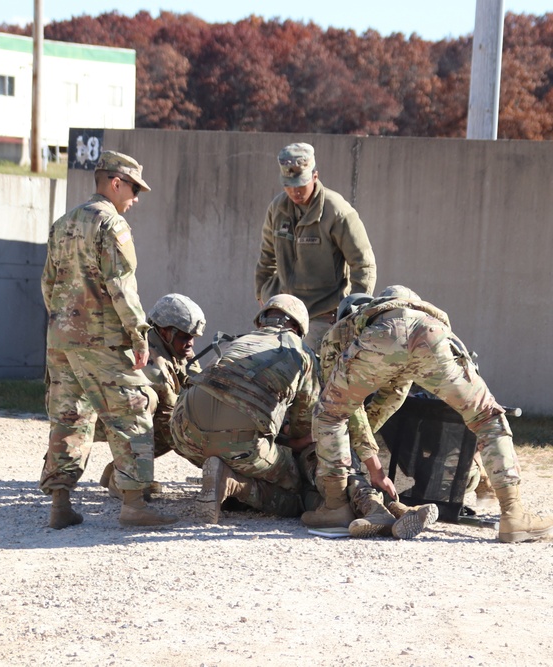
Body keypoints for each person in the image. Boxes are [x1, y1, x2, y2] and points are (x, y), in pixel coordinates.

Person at [311, 293, 553, 544]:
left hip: (381, 338)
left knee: (330, 416)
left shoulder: (340, 331)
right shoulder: (411, 307)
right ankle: (513, 514)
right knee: (487, 417)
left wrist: (365, 453)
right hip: (432, 334)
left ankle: (336, 508)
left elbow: (342, 409)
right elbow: (394, 394)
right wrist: (366, 447)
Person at [39, 149, 178, 530]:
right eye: (134, 189)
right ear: (115, 183)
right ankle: (134, 505)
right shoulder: (111, 225)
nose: (135, 198)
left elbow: (48, 285)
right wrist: (138, 334)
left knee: (69, 417)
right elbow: (122, 287)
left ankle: (60, 504)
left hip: (61, 339)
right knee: (132, 410)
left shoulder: (63, 223)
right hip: (101, 339)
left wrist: (62, 326)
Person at [300, 290, 439, 540]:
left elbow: (366, 407)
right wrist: (365, 453)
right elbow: (353, 411)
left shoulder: (338, 355)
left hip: (324, 447)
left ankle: (382, 510)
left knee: (345, 467)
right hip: (319, 447)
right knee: (346, 470)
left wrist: (359, 447)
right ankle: (388, 509)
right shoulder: (331, 358)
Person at [169, 294, 318, 524]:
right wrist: (294, 443)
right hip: (239, 443)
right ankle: (231, 483)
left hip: (184, 434)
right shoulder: (302, 353)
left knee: (230, 448)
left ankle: (222, 473)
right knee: (296, 494)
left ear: (262, 320)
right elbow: (303, 423)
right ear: (298, 326)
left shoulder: (238, 341)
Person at [254, 142, 377, 351]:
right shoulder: (277, 209)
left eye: (300, 184)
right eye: (288, 184)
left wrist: (352, 314)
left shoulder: (336, 211)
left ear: (315, 176)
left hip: (324, 318)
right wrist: (263, 294)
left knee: (318, 381)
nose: (294, 191)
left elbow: (363, 265)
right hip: (284, 316)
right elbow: (266, 257)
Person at [99, 293, 206, 500]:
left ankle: (117, 470)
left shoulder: (176, 350)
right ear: (165, 332)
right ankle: (125, 477)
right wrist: (211, 461)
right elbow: (171, 426)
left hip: (120, 414)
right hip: (104, 417)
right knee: (167, 420)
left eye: (192, 337)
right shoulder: (153, 365)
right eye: (185, 336)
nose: (191, 343)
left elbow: (195, 383)